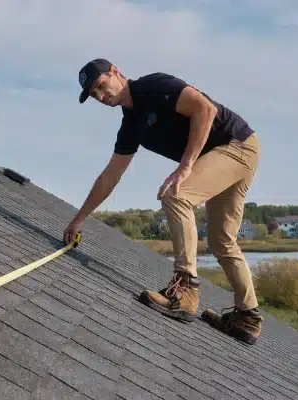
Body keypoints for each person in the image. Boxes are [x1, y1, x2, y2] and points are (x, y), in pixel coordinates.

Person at [61, 58, 264, 345]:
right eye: (95, 95)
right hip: (228, 152)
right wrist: (79, 218)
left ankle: (186, 290)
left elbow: (205, 109)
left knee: (175, 194)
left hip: (236, 144)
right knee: (222, 241)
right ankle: (247, 317)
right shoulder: (131, 125)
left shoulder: (154, 87)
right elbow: (110, 176)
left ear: (116, 72)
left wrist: (185, 166)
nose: (102, 96)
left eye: (101, 86)